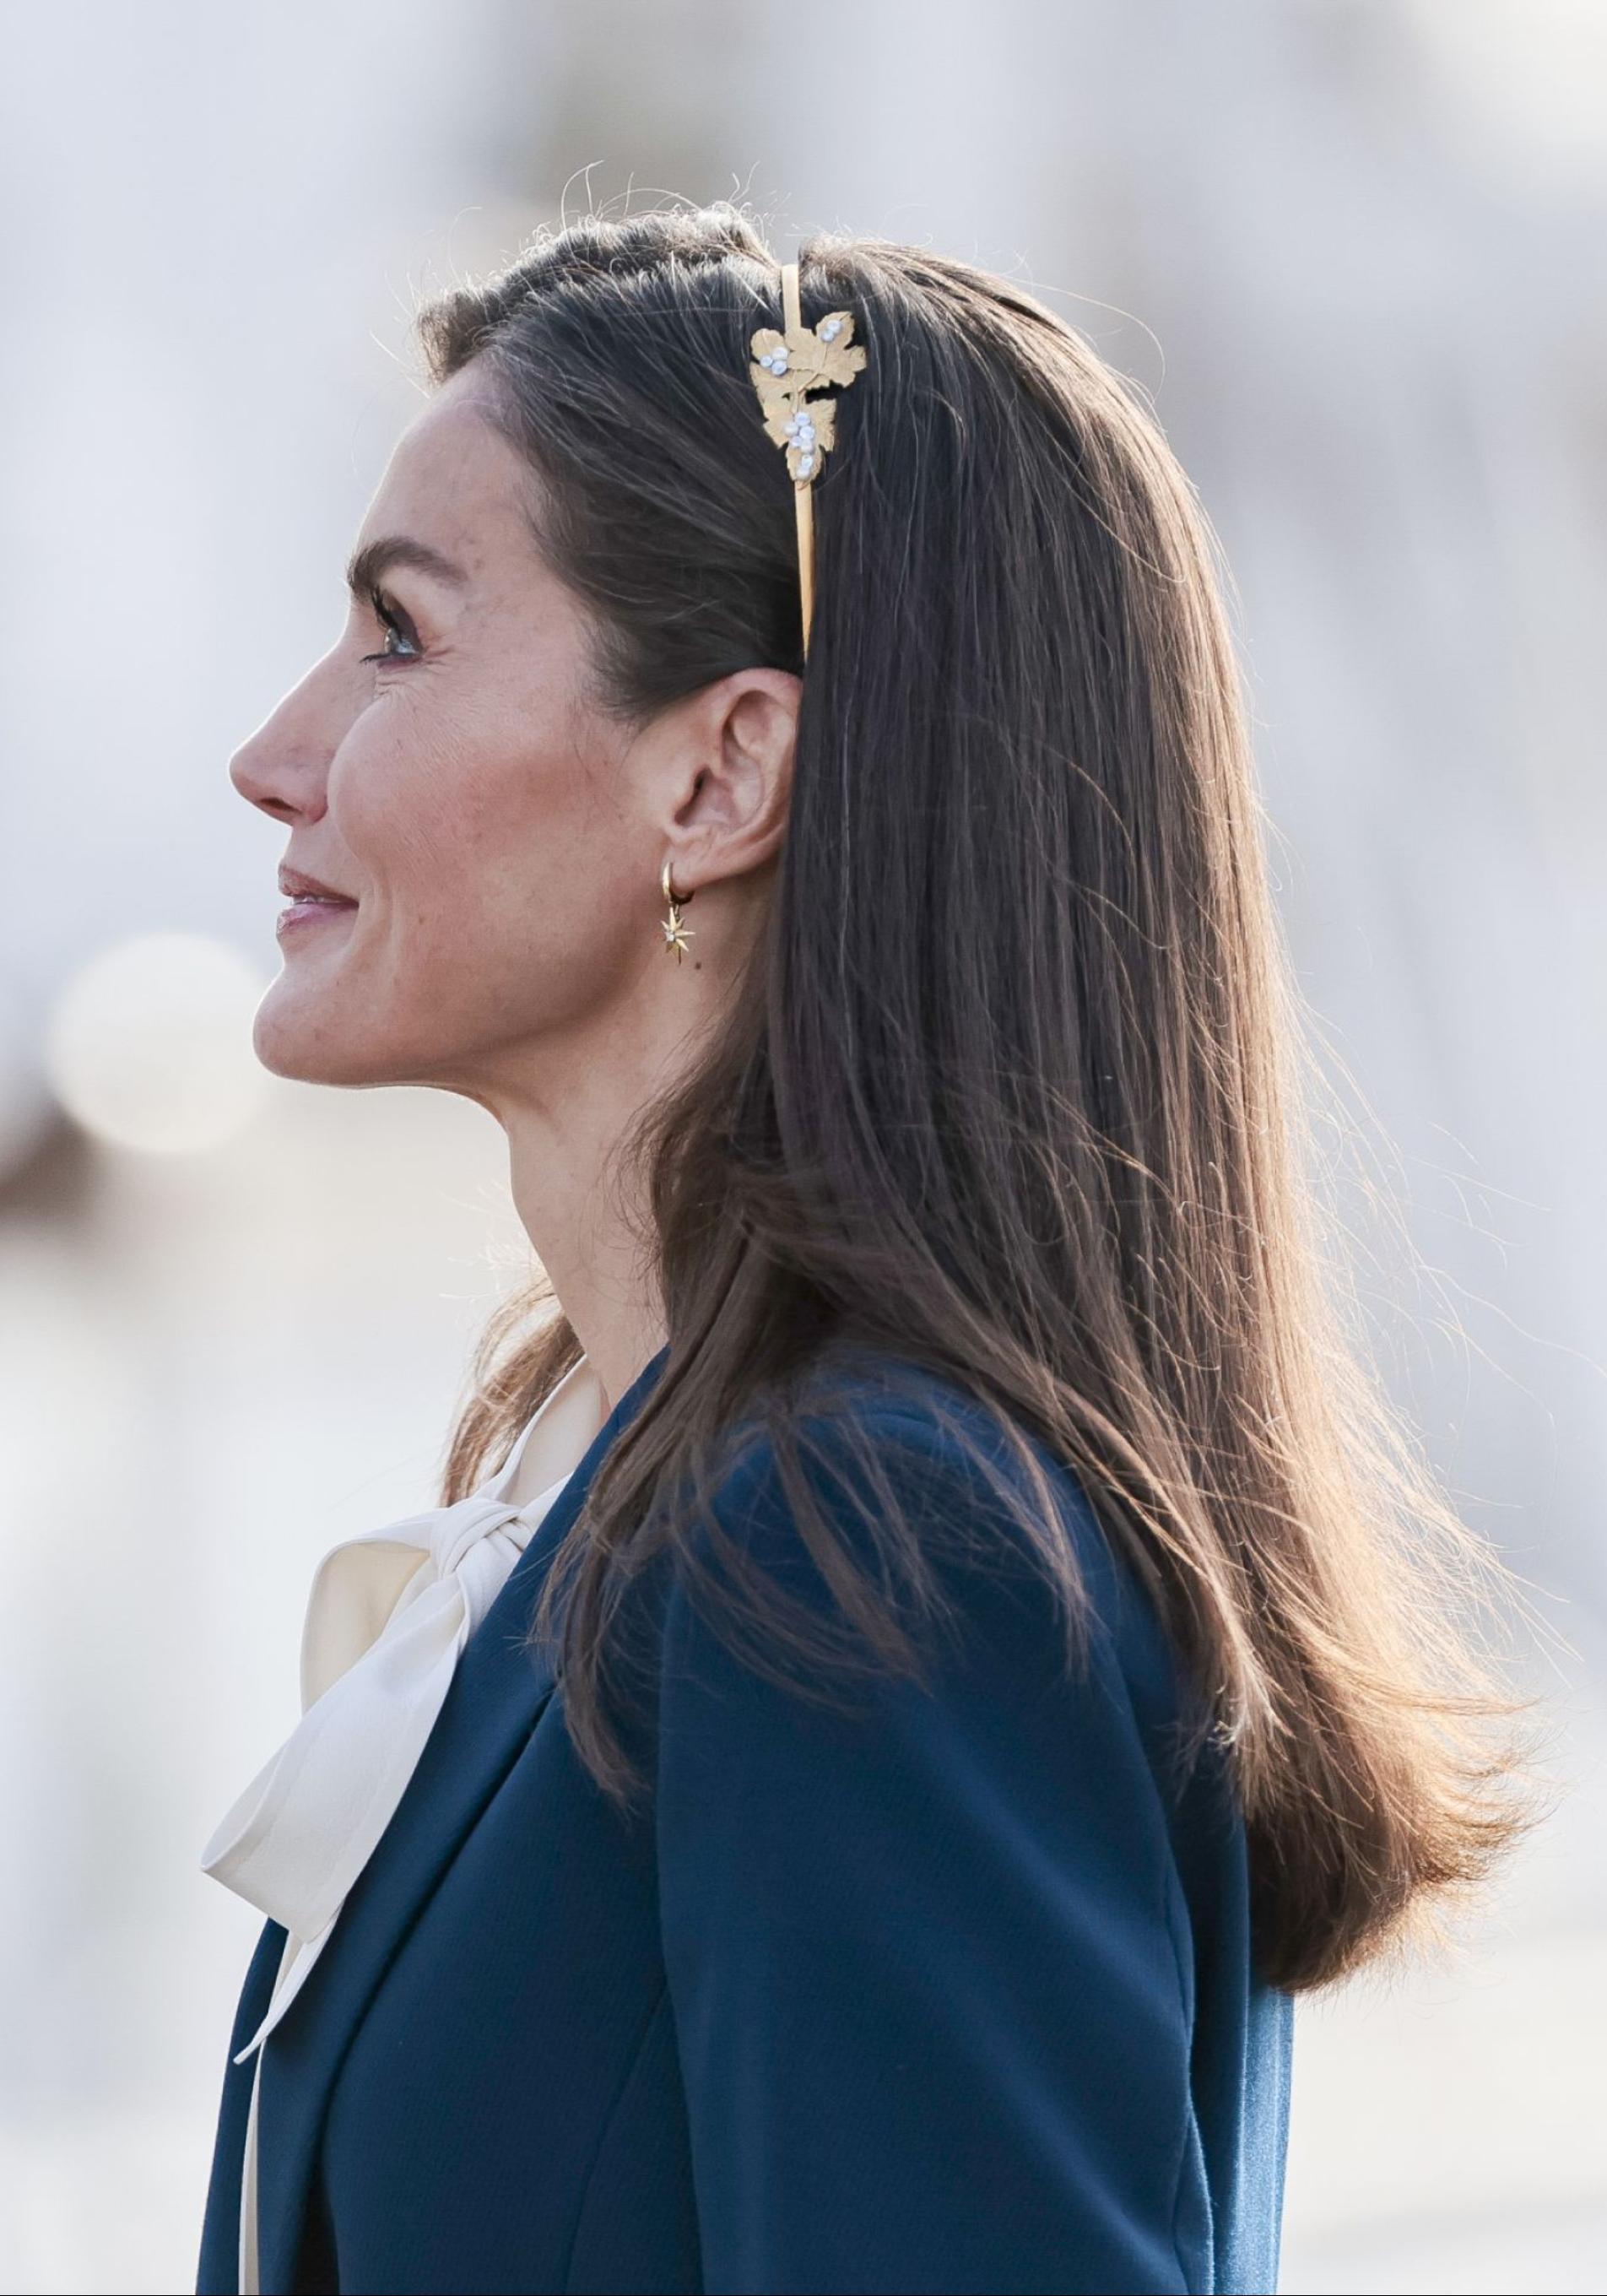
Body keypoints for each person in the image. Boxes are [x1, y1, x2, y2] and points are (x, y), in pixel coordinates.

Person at [197, 207, 1531, 2295]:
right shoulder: (642, 1492)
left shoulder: (865, 1546)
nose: (277, 754)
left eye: (398, 634)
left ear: (722, 771)